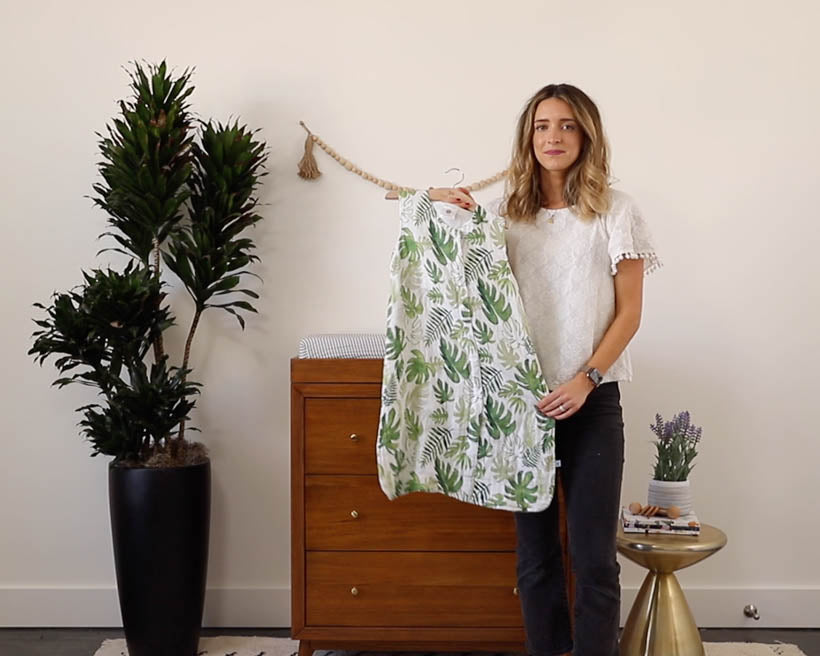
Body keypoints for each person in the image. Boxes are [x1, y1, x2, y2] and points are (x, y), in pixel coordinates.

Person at [428, 83, 661, 656]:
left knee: (594, 558)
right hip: (521, 404)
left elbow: (629, 313)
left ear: (587, 136)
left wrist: (586, 380)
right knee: (535, 558)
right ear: (528, 137)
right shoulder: (504, 215)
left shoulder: (616, 210)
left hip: (593, 401)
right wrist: (439, 203)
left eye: (566, 125)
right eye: (542, 126)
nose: (553, 136)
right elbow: (455, 272)